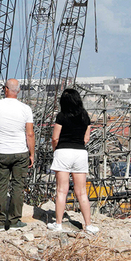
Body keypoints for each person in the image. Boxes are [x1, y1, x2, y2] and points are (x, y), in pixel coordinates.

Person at [0, 78, 34, 231]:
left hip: (2, 152)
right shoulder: (25, 109)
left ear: (5, 89)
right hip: (20, 152)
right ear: (18, 91)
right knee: (18, 187)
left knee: (1, 187)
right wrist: (32, 153)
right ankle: (13, 221)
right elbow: (30, 134)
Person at [47, 88, 98, 234]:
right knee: (82, 192)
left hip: (63, 151)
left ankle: (58, 224)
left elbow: (55, 138)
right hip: (80, 153)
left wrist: (55, 149)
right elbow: (86, 138)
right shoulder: (85, 116)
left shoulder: (61, 116)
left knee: (62, 191)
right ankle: (88, 225)